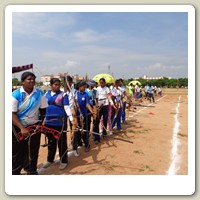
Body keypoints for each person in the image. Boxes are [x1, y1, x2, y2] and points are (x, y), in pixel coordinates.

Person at [12, 72, 48, 175]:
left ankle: (32, 170)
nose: (32, 81)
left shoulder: (40, 93)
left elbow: (43, 111)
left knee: (33, 149)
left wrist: (39, 124)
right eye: (29, 79)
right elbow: (12, 114)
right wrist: (22, 128)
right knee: (18, 151)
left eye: (33, 79)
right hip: (17, 126)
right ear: (23, 81)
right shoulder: (16, 94)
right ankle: (15, 173)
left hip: (34, 126)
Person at [43, 78, 73, 170]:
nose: (57, 86)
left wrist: (71, 118)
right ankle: (50, 159)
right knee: (51, 142)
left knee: (62, 142)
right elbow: (43, 107)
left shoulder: (63, 94)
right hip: (49, 122)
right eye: (55, 84)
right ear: (51, 85)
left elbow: (67, 107)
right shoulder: (46, 94)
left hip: (60, 122)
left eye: (58, 85)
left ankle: (63, 161)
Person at [73, 81, 94, 152]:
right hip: (76, 116)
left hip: (84, 116)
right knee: (77, 130)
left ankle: (87, 144)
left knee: (85, 131)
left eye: (85, 87)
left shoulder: (85, 95)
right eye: (84, 87)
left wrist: (92, 111)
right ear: (79, 87)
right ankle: (78, 143)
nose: (85, 88)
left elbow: (87, 104)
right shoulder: (75, 94)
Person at [63, 75, 80, 157]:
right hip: (63, 112)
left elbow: (76, 102)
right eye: (66, 82)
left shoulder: (74, 91)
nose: (67, 84)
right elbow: (63, 103)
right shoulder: (61, 91)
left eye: (69, 82)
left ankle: (74, 147)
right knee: (63, 130)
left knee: (74, 129)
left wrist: (78, 111)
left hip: (72, 111)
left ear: (71, 82)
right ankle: (63, 148)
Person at [93, 78, 110, 144]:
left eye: (102, 82)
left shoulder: (107, 89)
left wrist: (107, 100)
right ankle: (97, 137)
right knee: (97, 121)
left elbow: (108, 96)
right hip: (99, 105)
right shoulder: (98, 89)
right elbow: (97, 98)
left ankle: (104, 133)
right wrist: (97, 105)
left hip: (105, 104)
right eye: (100, 83)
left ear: (105, 83)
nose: (101, 84)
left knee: (105, 120)